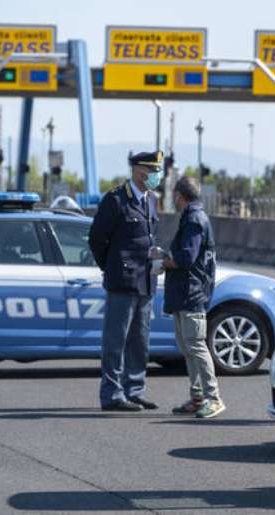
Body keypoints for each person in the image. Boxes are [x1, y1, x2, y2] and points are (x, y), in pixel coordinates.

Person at [88, 151, 164, 411]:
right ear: (138, 170)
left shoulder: (151, 200)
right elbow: (97, 240)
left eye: (157, 170)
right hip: (122, 281)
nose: (156, 175)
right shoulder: (116, 199)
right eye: (152, 170)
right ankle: (111, 394)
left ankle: (134, 389)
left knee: (140, 341)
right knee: (115, 341)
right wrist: (111, 267)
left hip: (145, 281)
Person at [163, 177, 224, 419]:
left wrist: (164, 262)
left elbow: (187, 258)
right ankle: (197, 397)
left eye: (174, 194)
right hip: (183, 293)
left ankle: (213, 398)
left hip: (192, 293)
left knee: (196, 346)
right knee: (188, 347)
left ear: (179, 194)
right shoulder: (191, 217)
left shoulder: (194, 219)